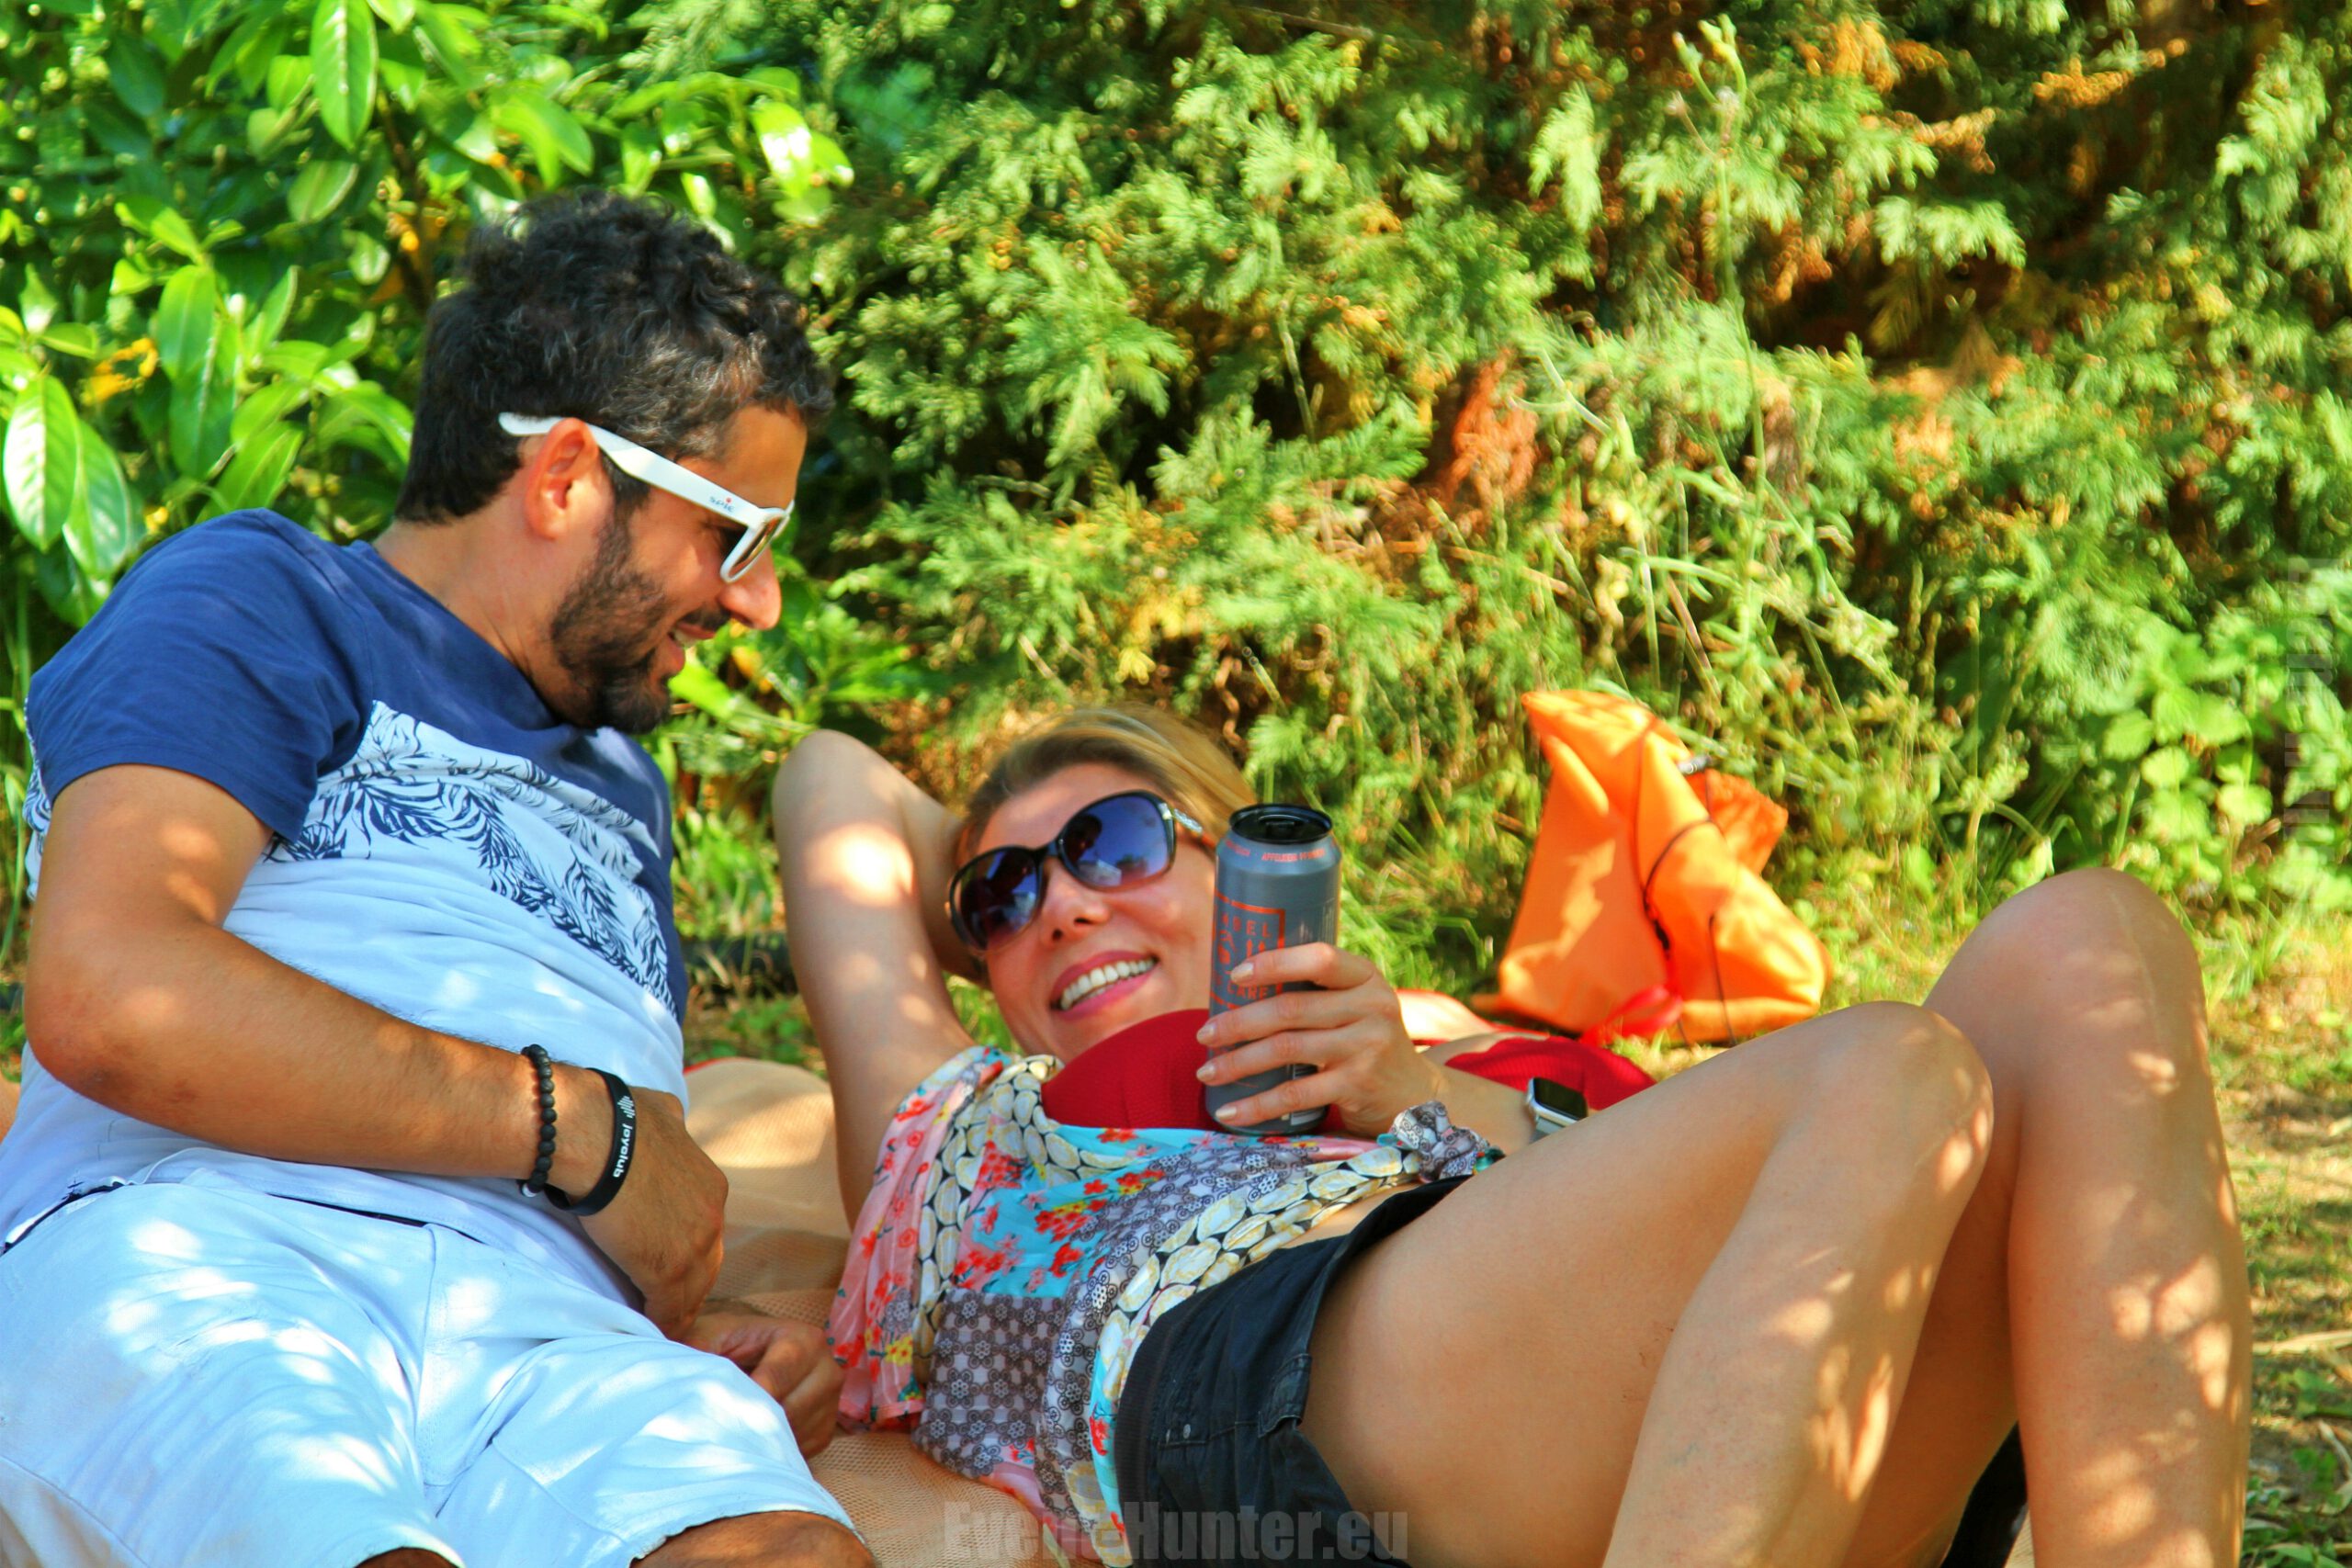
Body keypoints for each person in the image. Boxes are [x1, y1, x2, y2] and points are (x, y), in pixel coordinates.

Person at [773, 705, 2251, 1568]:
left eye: (1116, 841)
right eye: (1003, 898)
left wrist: (1427, 1089)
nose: (1062, 903)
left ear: (1256, 856)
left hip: (1750, 1433)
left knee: (2093, 939)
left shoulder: (1438, 1047)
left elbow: (1753, 1223)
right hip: (1247, 1384)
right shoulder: (958, 1115)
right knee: (1891, 1066)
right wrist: (1069, 891)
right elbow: (832, 778)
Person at [0, 192, 868, 1568]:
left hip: (547, 1346)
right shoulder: (267, 598)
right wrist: (583, 1129)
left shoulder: (625, 785)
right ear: (569, 474)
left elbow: (601, 1179)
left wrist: (688, 1311)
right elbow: (116, 993)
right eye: (737, 536)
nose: (757, 600)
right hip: (215, 1254)